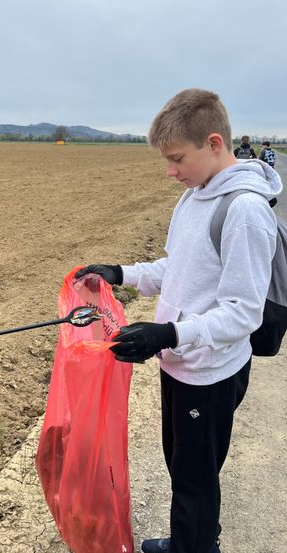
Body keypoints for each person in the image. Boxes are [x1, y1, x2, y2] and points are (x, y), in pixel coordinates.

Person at [75, 89, 282, 553]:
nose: (170, 171)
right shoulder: (194, 197)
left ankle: (195, 544)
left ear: (213, 143)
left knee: (194, 477)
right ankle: (195, 536)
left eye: (176, 159)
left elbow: (243, 313)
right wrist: (121, 274)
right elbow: (177, 268)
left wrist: (168, 333)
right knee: (183, 465)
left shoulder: (244, 211)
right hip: (180, 362)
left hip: (209, 372)